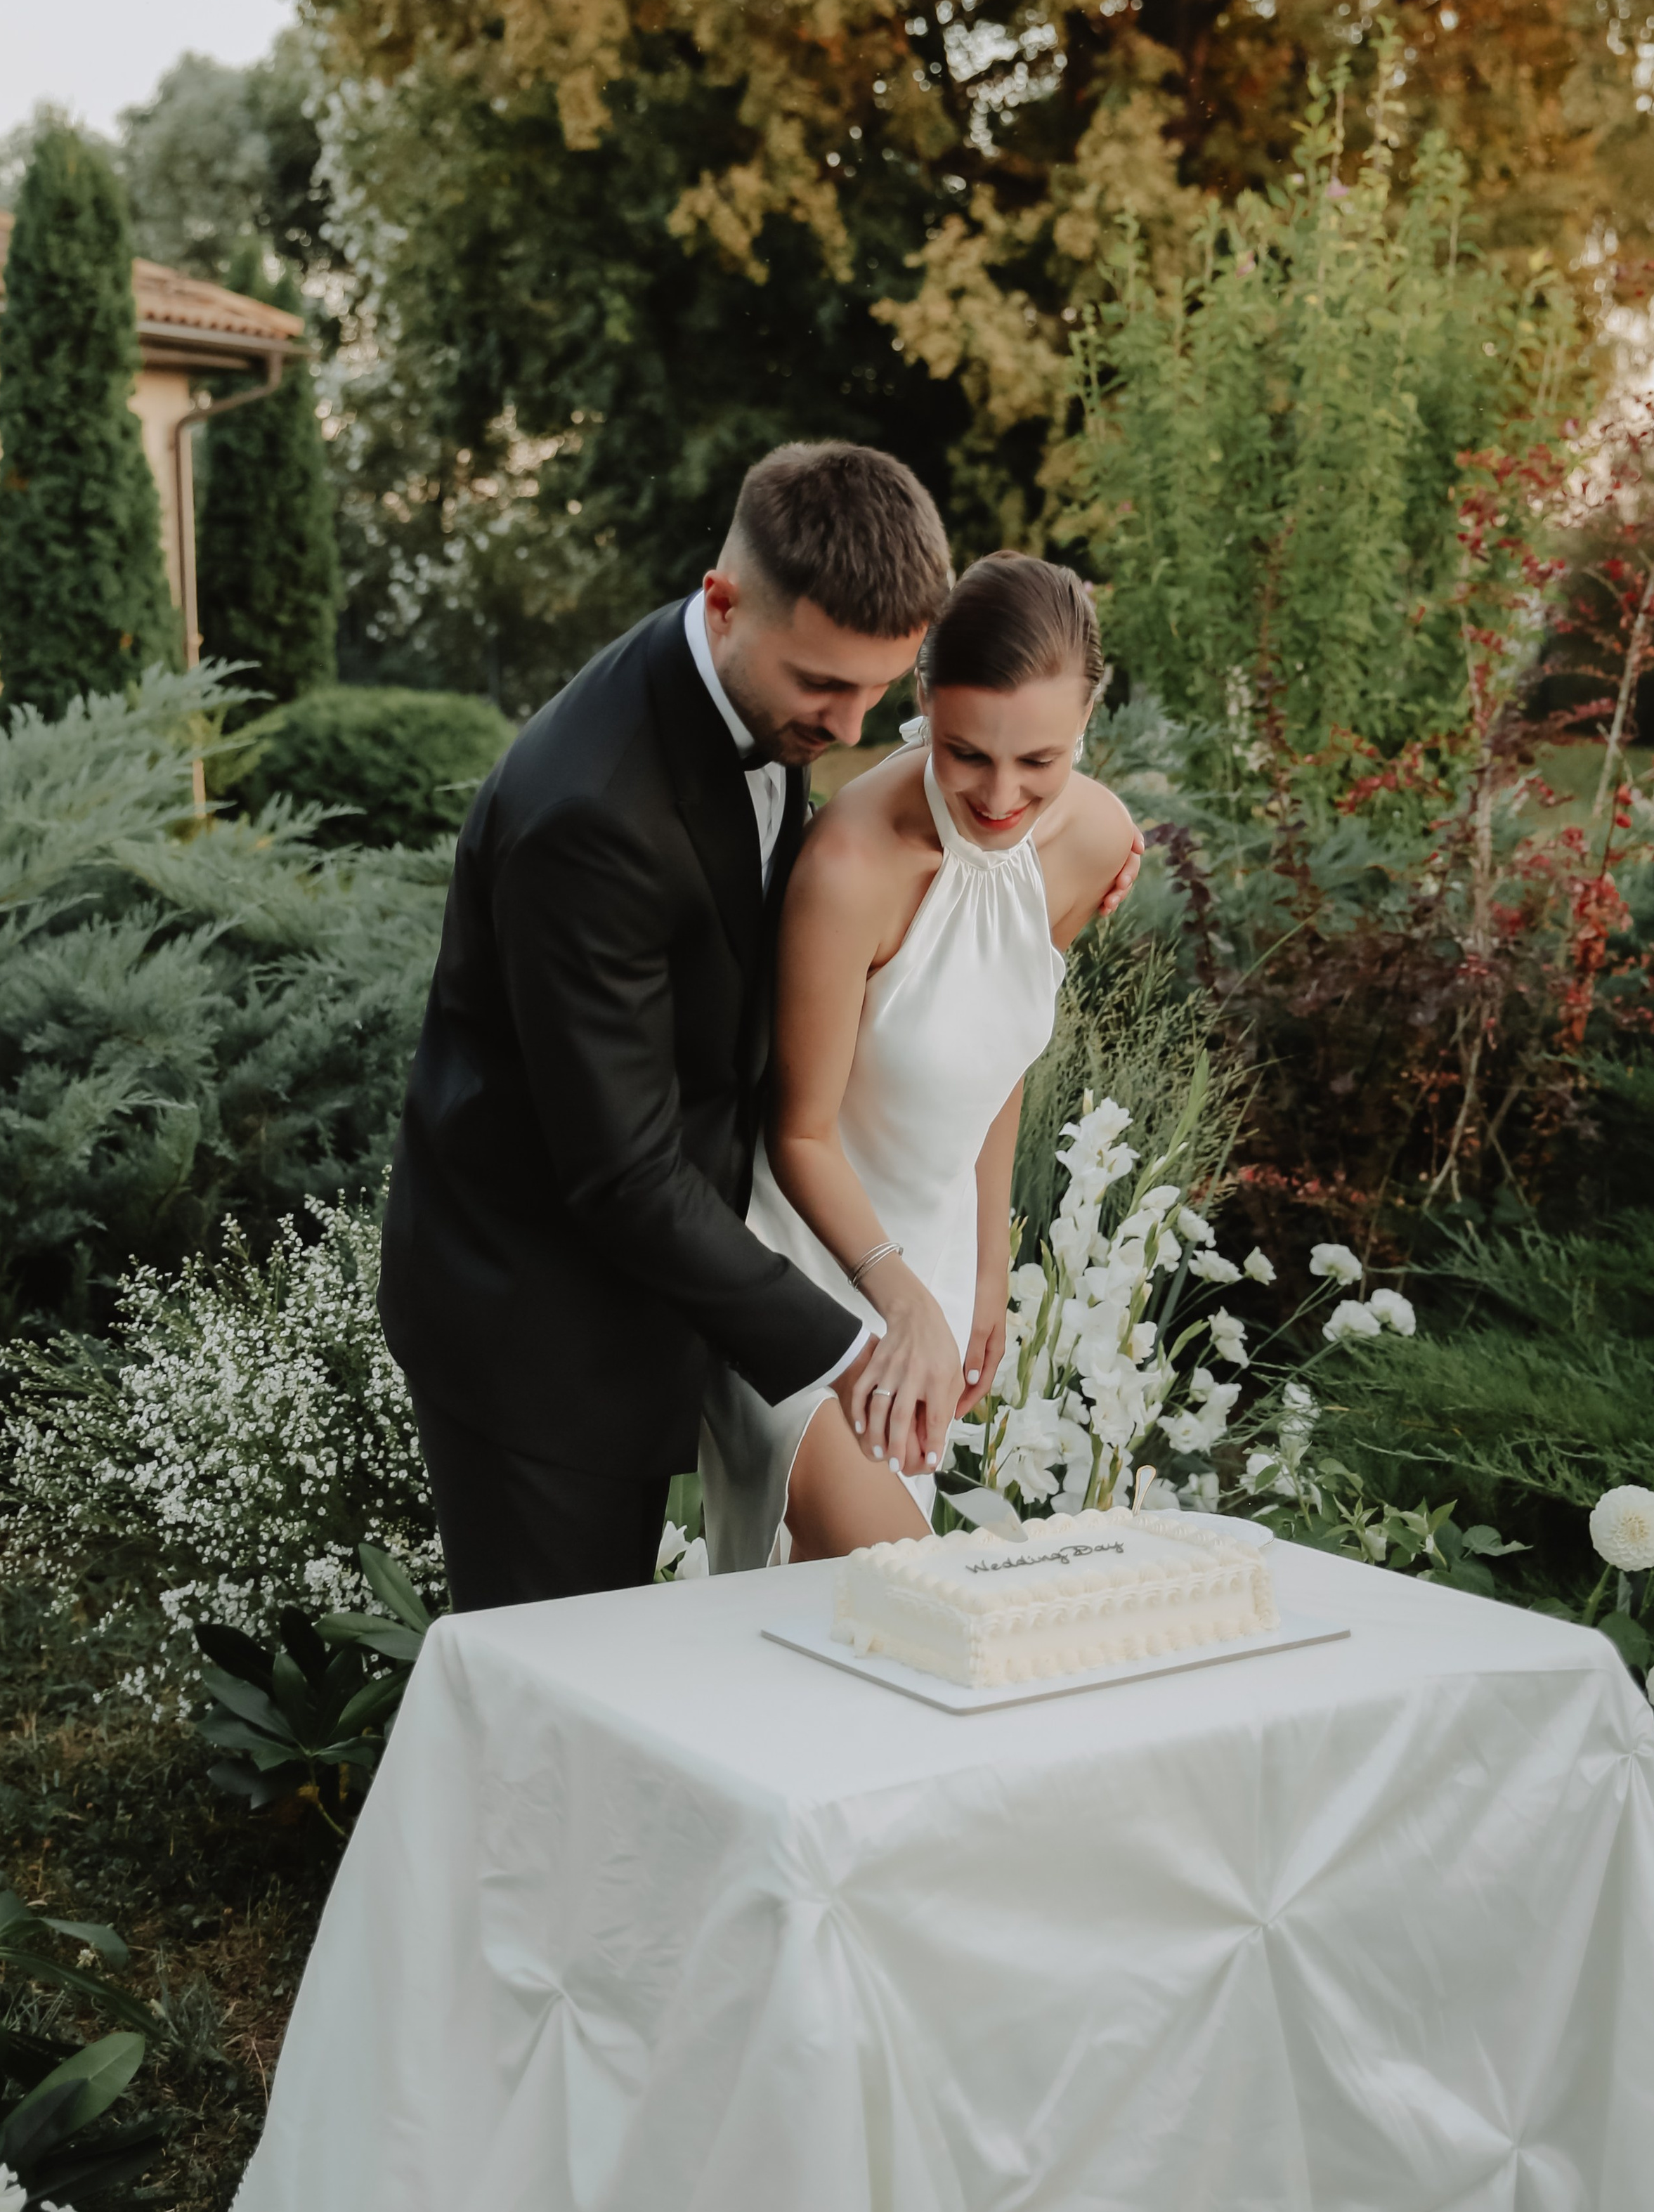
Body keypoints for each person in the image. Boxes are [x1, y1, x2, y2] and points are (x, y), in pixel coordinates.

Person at [379, 444, 1138, 1607]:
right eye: (823, 689)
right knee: (566, 1697)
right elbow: (624, 1172)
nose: (848, 729)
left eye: (881, 694)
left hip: (711, 1256)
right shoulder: (589, 816)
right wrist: (855, 1336)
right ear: (720, 604)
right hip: (541, 1315)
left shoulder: (767, 690)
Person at [701, 550, 1135, 1570]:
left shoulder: (1096, 842)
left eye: (1041, 761)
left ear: (1086, 727)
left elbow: (998, 1050)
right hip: (807, 1278)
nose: (999, 794)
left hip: (931, 1276)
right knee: (929, 1597)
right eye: (965, 752)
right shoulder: (852, 866)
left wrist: (986, 1276)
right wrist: (900, 1301)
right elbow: (797, 1132)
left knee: (854, 1664)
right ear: (925, 701)